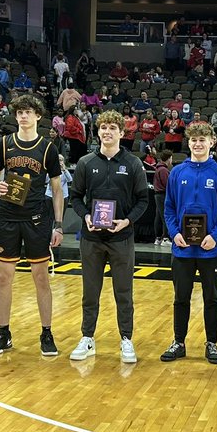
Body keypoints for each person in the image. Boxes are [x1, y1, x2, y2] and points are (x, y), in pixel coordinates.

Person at [67, 110, 150, 363]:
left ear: (121, 133)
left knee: (123, 292)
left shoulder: (133, 163)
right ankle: (87, 337)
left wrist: (126, 220)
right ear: (98, 131)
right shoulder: (85, 162)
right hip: (91, 239)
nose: (107, 131)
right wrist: (86, 217)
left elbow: (143, 200)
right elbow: (75, 197)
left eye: (113, 127)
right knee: (90, 292)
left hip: (121, 238)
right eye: (103, 127)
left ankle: (126, 339)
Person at [0, 94, 65, 356]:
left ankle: (46, 332)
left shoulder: (48, 148)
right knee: (3, 277)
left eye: (28, 111)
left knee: (40, 277)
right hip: (8, 216)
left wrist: (59, 225)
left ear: (38, 116)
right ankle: (3, 332)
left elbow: (56, 189)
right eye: (20, 111)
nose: (23, 115)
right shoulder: (4, 144)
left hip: (36, 219)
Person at [160, 122, 217, 364]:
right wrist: (173, 233)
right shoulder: (178, 173)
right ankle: (178, 342)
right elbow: (169, 208)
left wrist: (215, 235)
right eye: (194, 140)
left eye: (203, 139)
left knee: (211, 298)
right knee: (181, 297)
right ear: (188, 143)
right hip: (182, 248)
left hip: (210, 249)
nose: (198, 144)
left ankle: (211, 343)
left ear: (212, 142)